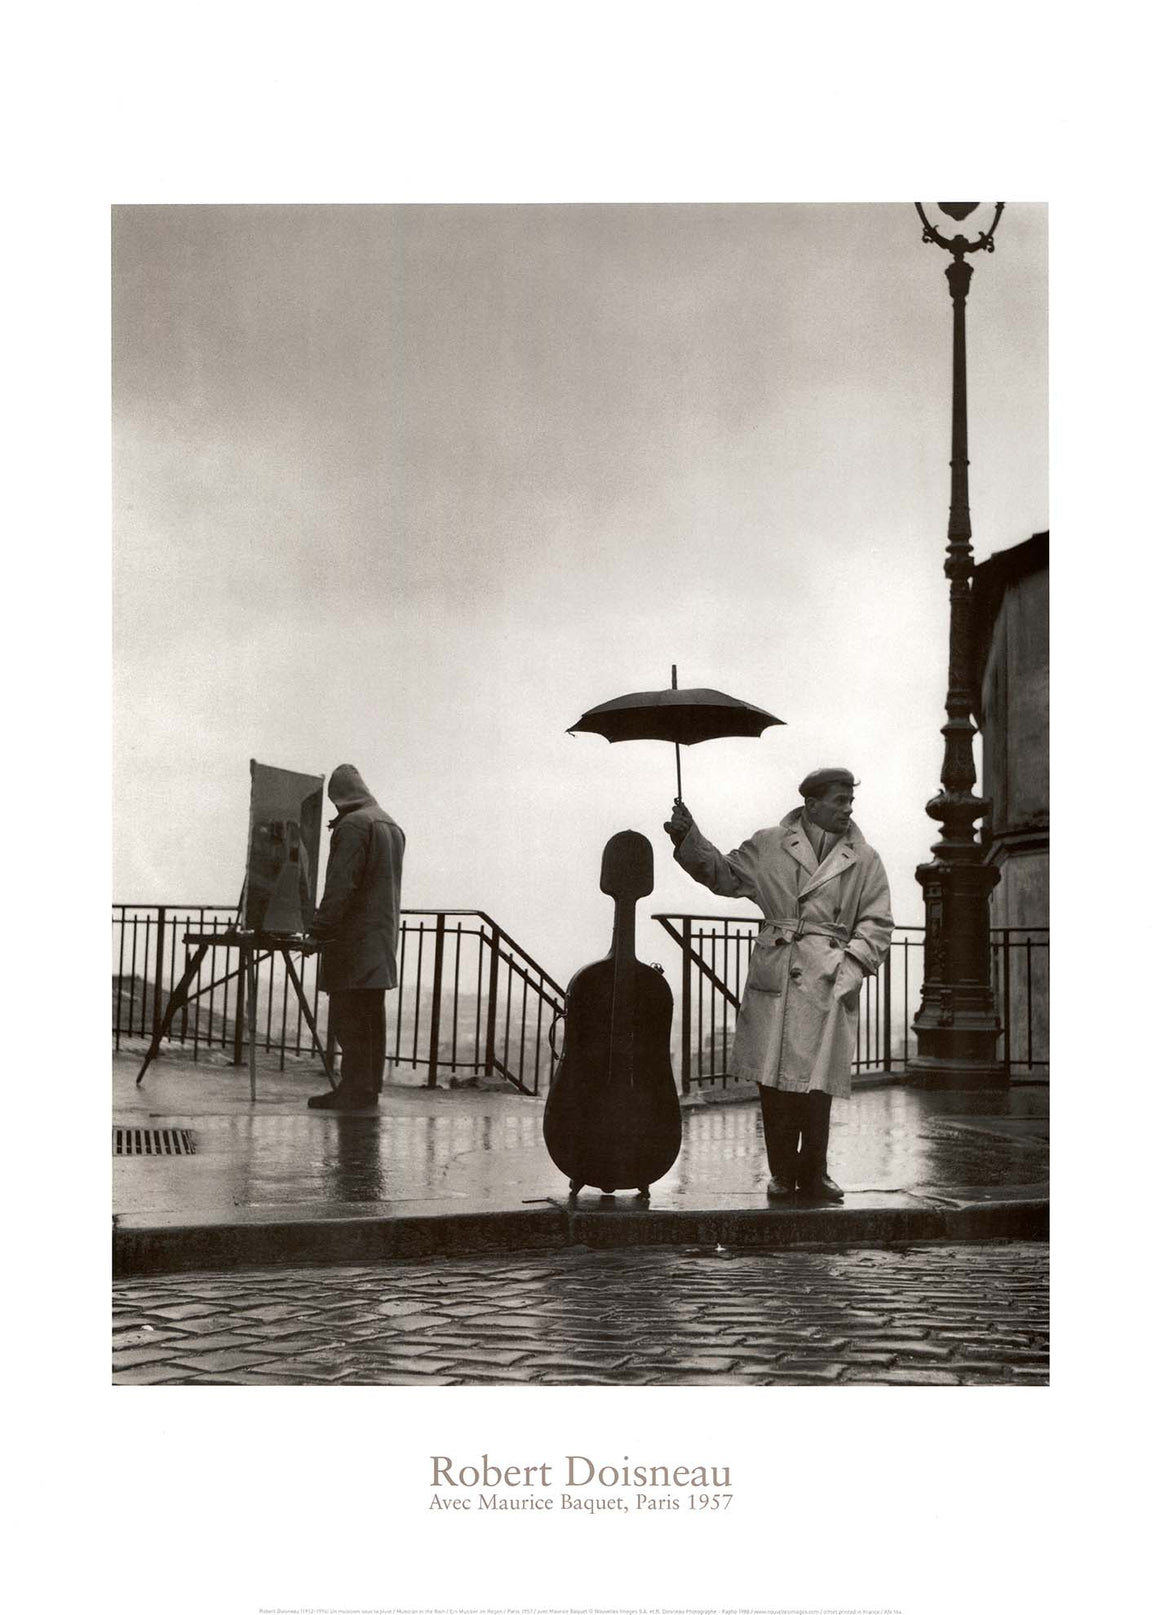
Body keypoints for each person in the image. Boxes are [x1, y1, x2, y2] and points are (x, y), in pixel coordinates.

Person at [664, 767, 892, 1201]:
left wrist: (852, 964)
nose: (847, 809)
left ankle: (816, 1171)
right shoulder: (769, 845)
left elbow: (877, 922)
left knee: (818, 1079)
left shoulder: (864, 858)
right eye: (839, 800)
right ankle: (782, 1173)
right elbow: (725, 876)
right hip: (778, 970)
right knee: (773, 1080)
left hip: (830, 976)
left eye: (850, 801)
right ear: (811, 804)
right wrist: (687, 837)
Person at [306, 764, 405, 1111]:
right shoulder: (389, 823)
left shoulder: (353, 826)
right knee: (370, 1020)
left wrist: (319, 929)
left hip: (353, 942)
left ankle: (351, 1089)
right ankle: (366, 1089)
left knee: (348, 1019)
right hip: (380, 941)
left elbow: (340, 885)